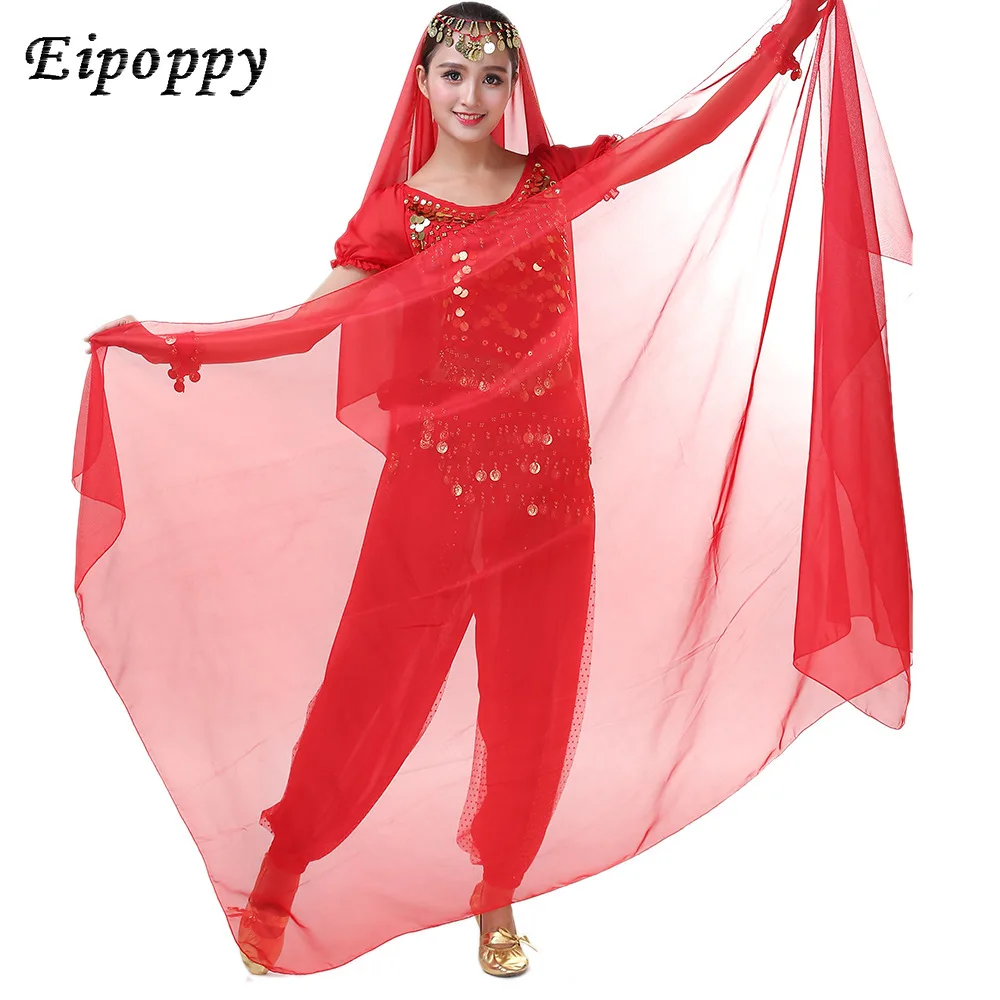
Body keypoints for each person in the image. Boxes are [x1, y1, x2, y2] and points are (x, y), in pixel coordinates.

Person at [79, 0, 911, 979]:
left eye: (490, 76)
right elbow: (308, 325)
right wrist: (178, 348)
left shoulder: (551, 181)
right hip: (430, 499)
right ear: (423, 83)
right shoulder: (398, 214)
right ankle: (281, 873)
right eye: (453, 74)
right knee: (365, 693)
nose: (471, 94)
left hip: (547, 501)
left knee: (528, 709)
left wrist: (782, 44)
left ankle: (498, 895)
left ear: (513, 86)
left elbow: (680, 136)